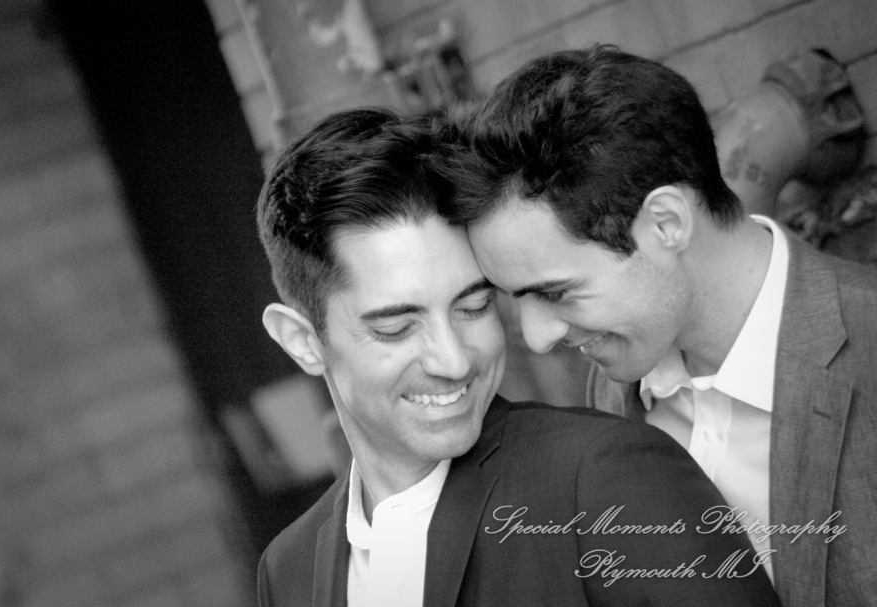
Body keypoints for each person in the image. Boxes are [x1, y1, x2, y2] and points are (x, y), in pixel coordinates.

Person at [254, 106, 779, 606]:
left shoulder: (609, 481)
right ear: (302, 341)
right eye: (397, 328)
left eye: (474, 307)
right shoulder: (287, 570)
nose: (454, 362)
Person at [444, 44, 877, 607]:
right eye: (514, 299)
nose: (537, 337)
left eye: (554, 292)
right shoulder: (614, 388)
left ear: (667, 223)